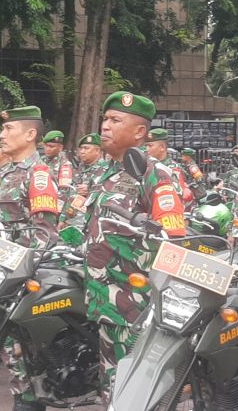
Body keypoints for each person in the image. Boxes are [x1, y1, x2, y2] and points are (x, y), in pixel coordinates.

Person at [84, 91, 186, 404]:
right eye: (105, 119)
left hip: (137, 305)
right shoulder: (104, 172)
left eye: (115, 120)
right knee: (111, 387)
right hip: (104, 300)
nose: (105, 126)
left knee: (138, 394)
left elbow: (174, 240)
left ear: (140, 132)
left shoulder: (155, 174)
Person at [0, 106, 60, 411]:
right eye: (3, 130)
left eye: (9, 129)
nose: (1, 135)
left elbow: (44, 235)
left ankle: (30, 401)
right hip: (1, 270)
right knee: (10, 345)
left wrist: (24, 269)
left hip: (21, 275)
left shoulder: (39, 174)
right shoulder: (8, 171)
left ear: (30, 134)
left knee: (25, 346)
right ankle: (23, 395)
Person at [145, 128, 192, 205]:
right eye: (146, 146)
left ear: (162, 147)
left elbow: (179, 195)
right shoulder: (146, 165)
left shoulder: (173, 168)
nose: (147, 149)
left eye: (150, 146)